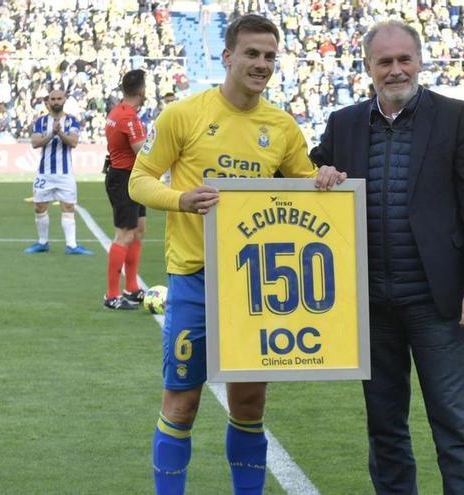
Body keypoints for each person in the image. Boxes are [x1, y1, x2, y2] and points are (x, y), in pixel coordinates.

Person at [128, 14, 344, 494]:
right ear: (227, 56)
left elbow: (302, 186)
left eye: (269, 56)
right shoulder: (183, 115)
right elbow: (139, 180)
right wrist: (180, 198)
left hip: (255, 288)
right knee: (180, 404)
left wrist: (323, 179)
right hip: (195, 280)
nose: (261, 64)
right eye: (251, 53)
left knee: (249, 406)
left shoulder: (282, 126)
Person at [310, 20, 464, 494]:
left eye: (403, 59)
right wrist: (322, 171)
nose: (395, 70)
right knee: (385, 429)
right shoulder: (344, 122)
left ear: (419, 61)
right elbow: (308, 174)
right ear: (368, 67)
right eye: (384, 62)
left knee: (454, 428)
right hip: (370, 307)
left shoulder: (456, 115)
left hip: (438, 304)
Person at [23, 89, 93, 256]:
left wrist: (60, 132)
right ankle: (42, 242)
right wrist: (51, 133)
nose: (55, 101)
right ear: (49, 101)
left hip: (65, 173)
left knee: (68, 206)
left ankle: (72, 245)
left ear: (64, 100)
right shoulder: (40, 121)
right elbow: (35, 143)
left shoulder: (72, 121)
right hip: (44, 173)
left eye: (58, 98)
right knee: (39, 206)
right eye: (53, 99)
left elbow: (73, 142)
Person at [102, 70, 149, 310]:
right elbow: (141, 149)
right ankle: (112, 295)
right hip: (124, 178)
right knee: (125, 234)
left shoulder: (117, 111)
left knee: (139, 230)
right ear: (141, 90)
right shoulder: (128, 118)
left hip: (129, 177)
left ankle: (132, 288)